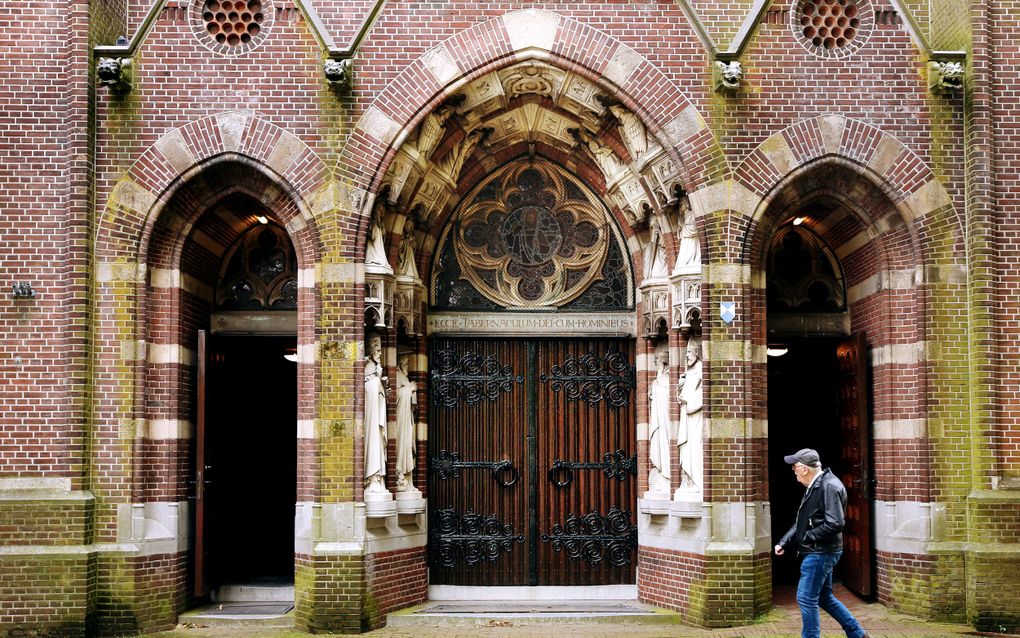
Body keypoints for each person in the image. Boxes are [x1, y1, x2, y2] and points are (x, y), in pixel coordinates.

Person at [775, 448, 869, 638]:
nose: (792, 469)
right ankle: (857, 634)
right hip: (819, 550)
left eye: (794, 466)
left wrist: (806, 538)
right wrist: (785, 541)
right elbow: (802, 520)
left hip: (821, 552)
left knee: (806, 598)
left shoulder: (829, 486)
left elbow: (835, 523)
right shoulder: (816, 485)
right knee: (824, 597)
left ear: (804, 468)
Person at [675, 337, 703, 496]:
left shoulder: (700, 368)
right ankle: (687, 481)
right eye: (685, 353)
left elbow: (705, 394)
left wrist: (689, 400)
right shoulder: (689, 371)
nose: (686, 356)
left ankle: (696, 482)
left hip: (695, 416)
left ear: (697, 353)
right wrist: (680, 389)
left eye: (689, 352)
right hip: (686, 415)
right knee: (686, 449)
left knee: (695, 447)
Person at [363, 333, 388, 493]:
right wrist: (377, 381)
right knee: (372, 442)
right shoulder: (366, 365)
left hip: (378, 413)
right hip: (372, 417)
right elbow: (366, 388)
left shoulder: (376, 367)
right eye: (377, 347)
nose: (380, 350)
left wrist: (380, 381)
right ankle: (372, 478)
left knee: (378, 442)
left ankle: (378, 479)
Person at [646, 349, 672, 495]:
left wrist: (655, 388)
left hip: (665, 420)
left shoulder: (667, 379)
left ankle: (667, 475)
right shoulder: (659, 380)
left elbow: (668, 397)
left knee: (665, 443)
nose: (655, 366)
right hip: (659, 420)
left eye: (656, 363)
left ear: (662, 363)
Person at [394, 353, 417, 492]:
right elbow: (396, 395)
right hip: (400, 420)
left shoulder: (404, 377)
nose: (407, 365)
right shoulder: (396, 375)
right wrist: (410, 389)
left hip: (407, 419)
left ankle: (408, 481)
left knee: (408, 445)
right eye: (406, 362)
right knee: (402, 444)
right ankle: (400, 477)